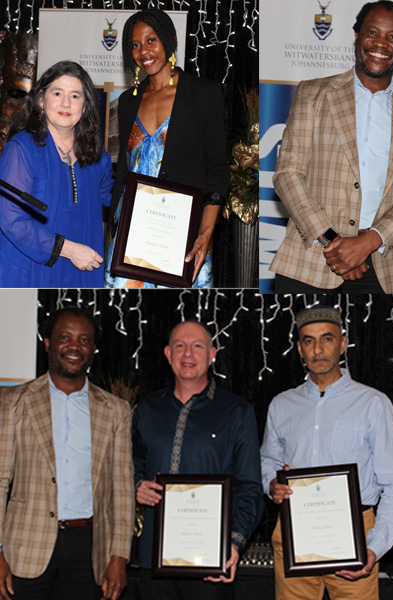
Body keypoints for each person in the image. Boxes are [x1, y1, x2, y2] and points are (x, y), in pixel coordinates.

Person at [269, 1, 393, 293]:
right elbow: (287, 174)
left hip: (383, 266)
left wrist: (369, 242)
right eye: (372, 32)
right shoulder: (313, 93)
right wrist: (334, 242)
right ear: (357, 36)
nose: (380, 43)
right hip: (312, 259)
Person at [261, 307, 393, 600]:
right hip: (295, 532)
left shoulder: (372, 403)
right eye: (308, 341)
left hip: (354, 535)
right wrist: (272, 484)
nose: (317, 349)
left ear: (343, 344)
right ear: (299, 349)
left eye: (327, 339)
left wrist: (374, 547)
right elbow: (268, 460)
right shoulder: (281, 405)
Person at [0, 308, 133, 600]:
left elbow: (121, 490)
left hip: (90, 551)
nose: (74, 346)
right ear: (48, 342)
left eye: (84, 340)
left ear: (93, 348)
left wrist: (119, 556)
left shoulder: (115, 411)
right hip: (24, 547)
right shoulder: (12, 402)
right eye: (65, 337)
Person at [133, 321, 262, 599]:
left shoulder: (237, 412)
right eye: (180, 346)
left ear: (212, 354)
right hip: (154, 558)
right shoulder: (146, 409)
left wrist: (235, 543)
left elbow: (250, 487)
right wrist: (136, 485)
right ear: (168, 354)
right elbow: (130, 462)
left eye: (197, 346)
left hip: (211, 558)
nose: (188, 354)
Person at [106, 8, 230, 288]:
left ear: (168, 41)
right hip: (131, 237)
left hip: (182, 236)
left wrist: (205, 234)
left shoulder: (203, 94)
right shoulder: (127, 102)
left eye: (151, 40)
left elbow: (217, 172)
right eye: (135, 45)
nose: (143, 51)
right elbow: (125, 171)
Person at [0, 61, 112, 287]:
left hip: (83, 270)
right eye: (57, 93)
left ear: (85, 106)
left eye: (75, 96)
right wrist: (67, 249)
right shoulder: (22, 149)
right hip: (31, 271)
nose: (65, 103)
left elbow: (115, 199)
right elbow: (11, 219)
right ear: (41, 100)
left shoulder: (97, 155)